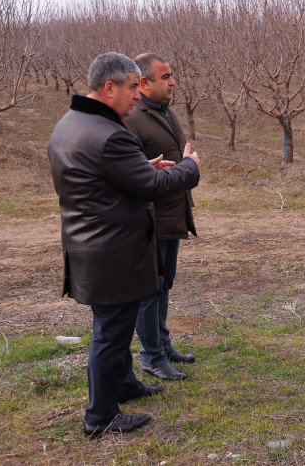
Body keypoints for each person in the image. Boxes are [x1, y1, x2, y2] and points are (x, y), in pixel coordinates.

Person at [48, 52, 201, 438]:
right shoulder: (110, 134)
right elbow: (153, 188)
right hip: (111, 252)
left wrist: (140, 168)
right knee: (110, 333)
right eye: (133, 87)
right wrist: (190, 167)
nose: (137, 96)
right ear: (109, 87)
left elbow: (98, 179)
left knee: (114, 328)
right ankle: (101, 417)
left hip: (91, 245)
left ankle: (125, 385)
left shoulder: (71, 124)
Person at [123, 53, 197, 382]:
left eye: (172, 75)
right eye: (165, 76)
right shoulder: (132, 119)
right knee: (149, 290)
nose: (173, 82)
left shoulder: (165, 112)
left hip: (173, 215)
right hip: (150, 220)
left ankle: (163, 345)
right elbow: (135, 175)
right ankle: (150, 357)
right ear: (144, 83)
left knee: (164, 285)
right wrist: (185, 168)